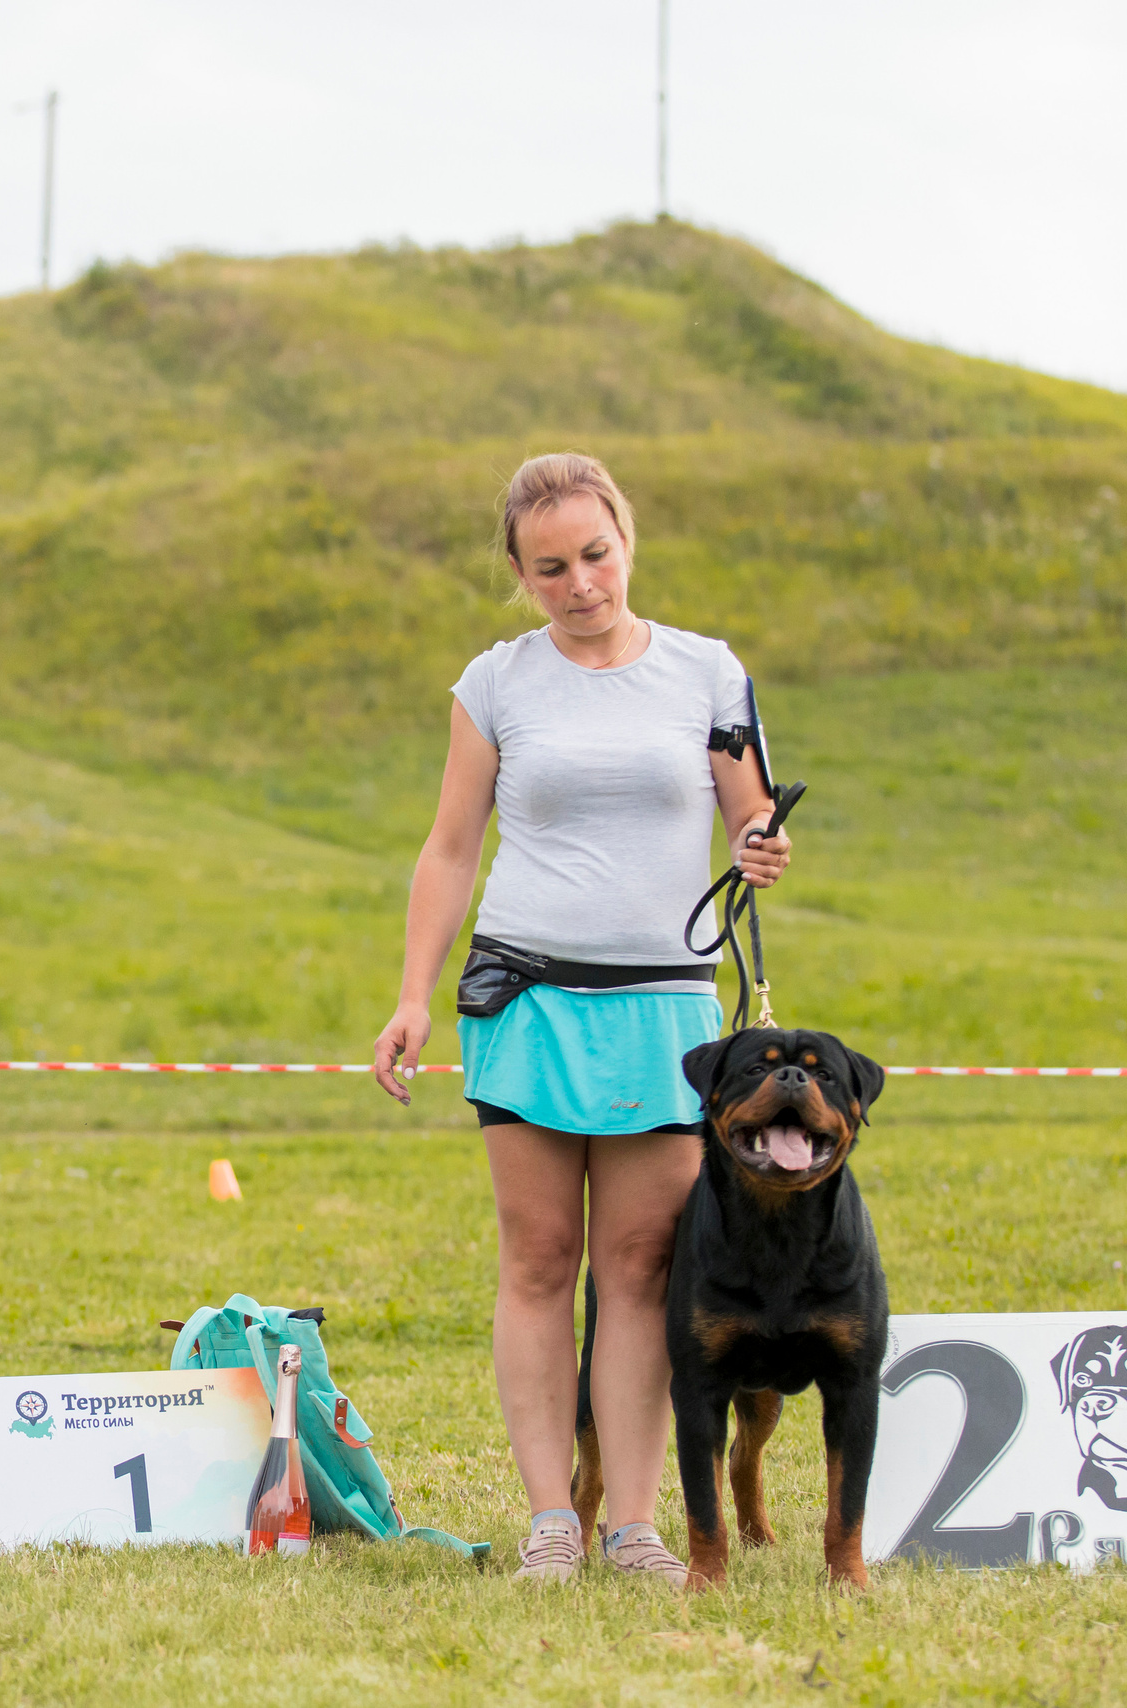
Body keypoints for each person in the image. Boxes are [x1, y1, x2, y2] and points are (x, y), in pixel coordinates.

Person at [369, 451, 792, 1586]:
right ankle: (551, 1516)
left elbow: (750, 816)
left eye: (594, 555)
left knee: (644, 1264)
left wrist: (761, 846)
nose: (580, 583)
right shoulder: (495, 683)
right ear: (519, 572)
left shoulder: (708, 672)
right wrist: (414, 993)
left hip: (665, 1009)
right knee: (541, 1258)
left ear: (626, 541)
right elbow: (451, 847)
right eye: (549, 566)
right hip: (527, 998)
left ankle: (636, 1523)